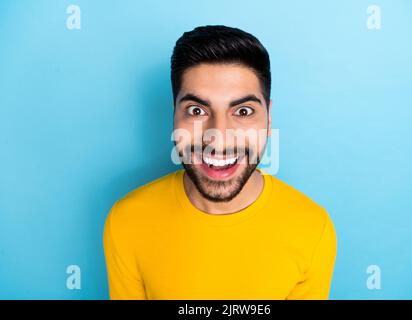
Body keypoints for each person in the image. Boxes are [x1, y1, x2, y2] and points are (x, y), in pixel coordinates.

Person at [103, 25, 337, 300]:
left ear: (268, 117)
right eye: (197, 110)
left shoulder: (312, 228)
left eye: (243, 111)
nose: (219, 139)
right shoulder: (127, 221)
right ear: (174, 114)